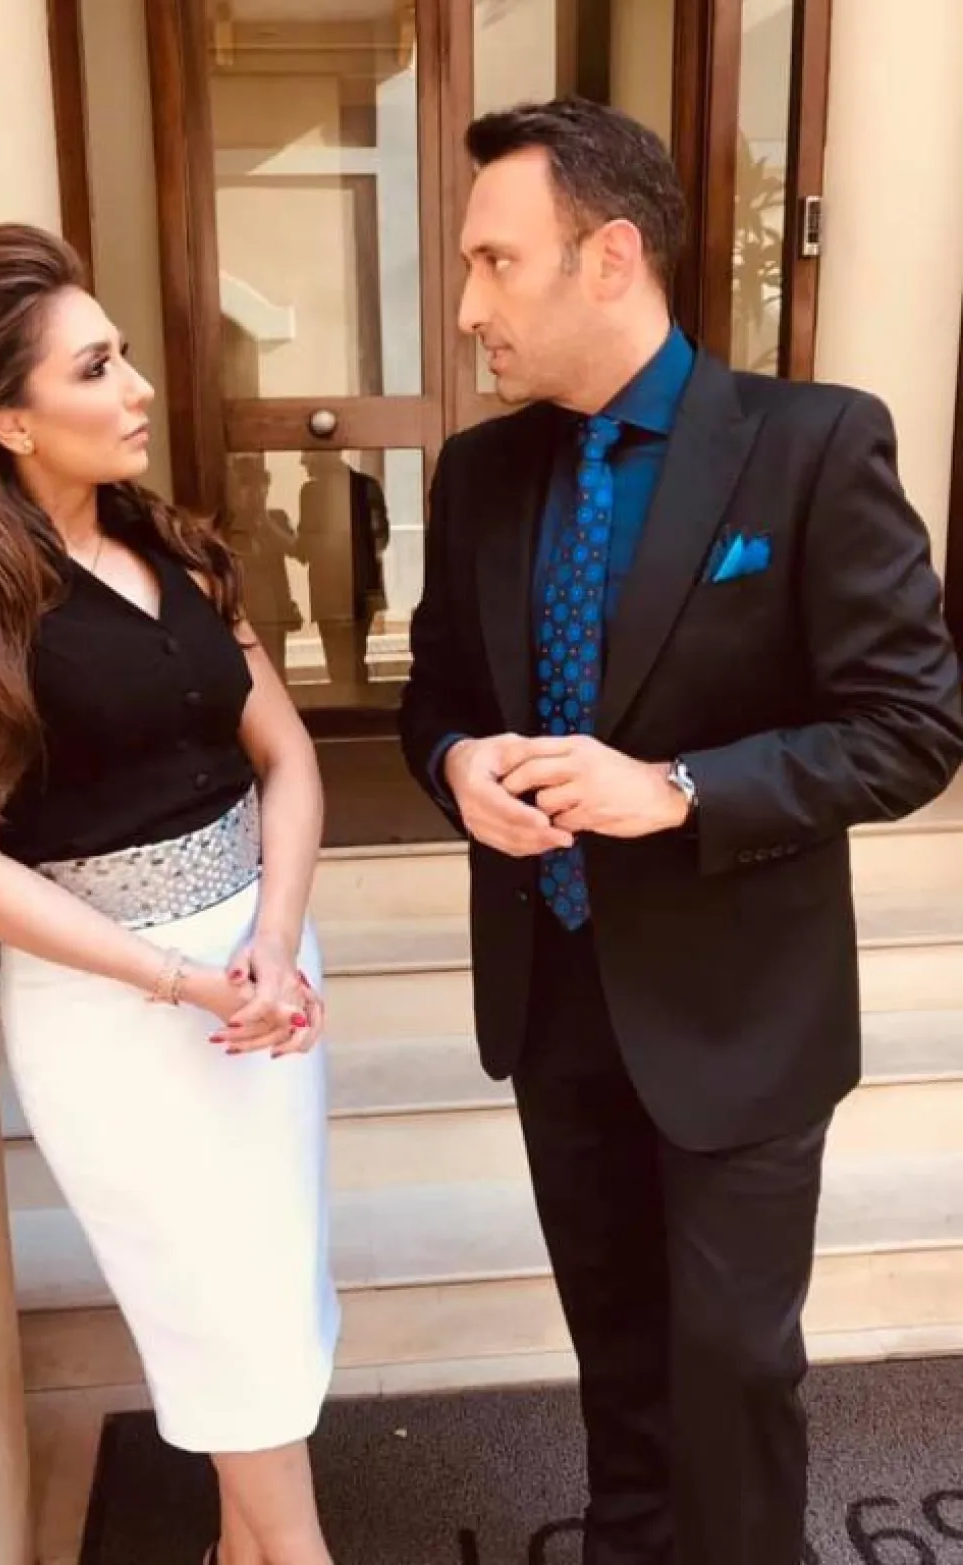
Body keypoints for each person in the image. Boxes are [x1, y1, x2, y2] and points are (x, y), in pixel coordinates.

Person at [399, 98, 963, 1565]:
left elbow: (913, 727)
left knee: (733, 1371)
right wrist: (458, 763)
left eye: (493, 263)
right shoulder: (478, 476)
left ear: (610, 258)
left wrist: (682, 788)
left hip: (739, 1011)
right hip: (555, 994)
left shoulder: (812, 444)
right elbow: (435, 698)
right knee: (620, 1361)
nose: (468, 308)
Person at [0, 224, 340, 1565]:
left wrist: (269, 941)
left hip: (264, 975)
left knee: (272, 1292)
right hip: (116, 1009)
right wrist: (183, 979)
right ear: (6, 417)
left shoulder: (170, 543)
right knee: (220, 1315)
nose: (137, 387)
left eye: (121, 354)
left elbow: (288, 758)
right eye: (95, 367)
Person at [297, 451, 390, 694]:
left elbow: (304, 549)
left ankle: (353, 707)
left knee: (339, 664)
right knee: (354, 660)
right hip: (360, 589)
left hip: (337, 592)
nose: (303, 462)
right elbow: (381, 538)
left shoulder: (312, 494)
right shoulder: (366, 486)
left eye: (307, 455)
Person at [226, 452, 302, 681]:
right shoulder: (228, 523)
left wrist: (264, 520)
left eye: (262, 487)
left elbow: (297, 551)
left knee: (276, 671)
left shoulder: (277, 518)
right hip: (242, 610)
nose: (257, 494)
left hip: (274, 610)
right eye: (248, 486)